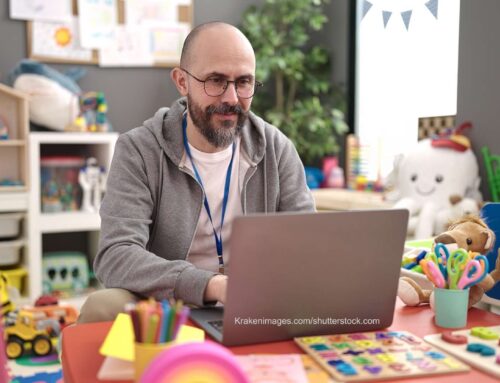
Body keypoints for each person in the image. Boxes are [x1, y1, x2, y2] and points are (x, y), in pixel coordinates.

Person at [78, 22, 315, 323]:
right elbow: (116, 255)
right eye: (215, 81)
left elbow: (306, 246)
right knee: (101, 308)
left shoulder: (276, 148)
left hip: (256, 304)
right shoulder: (139, 149)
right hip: (167, 303)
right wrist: (210, 285)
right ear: (181, 81)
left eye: (243, 82)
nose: (231, 98)